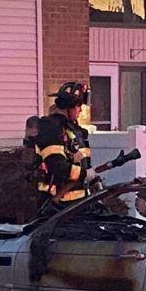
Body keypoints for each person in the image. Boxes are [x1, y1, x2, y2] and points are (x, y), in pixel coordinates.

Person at [34, 82, 94, 213]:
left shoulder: (73, 130)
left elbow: (80, 162)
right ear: (69, 106)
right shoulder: (51, 128)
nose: (80, 110)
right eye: (78, 106)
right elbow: (57, 166)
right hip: (56, 208)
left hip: (78, 205)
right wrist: (84, 174)